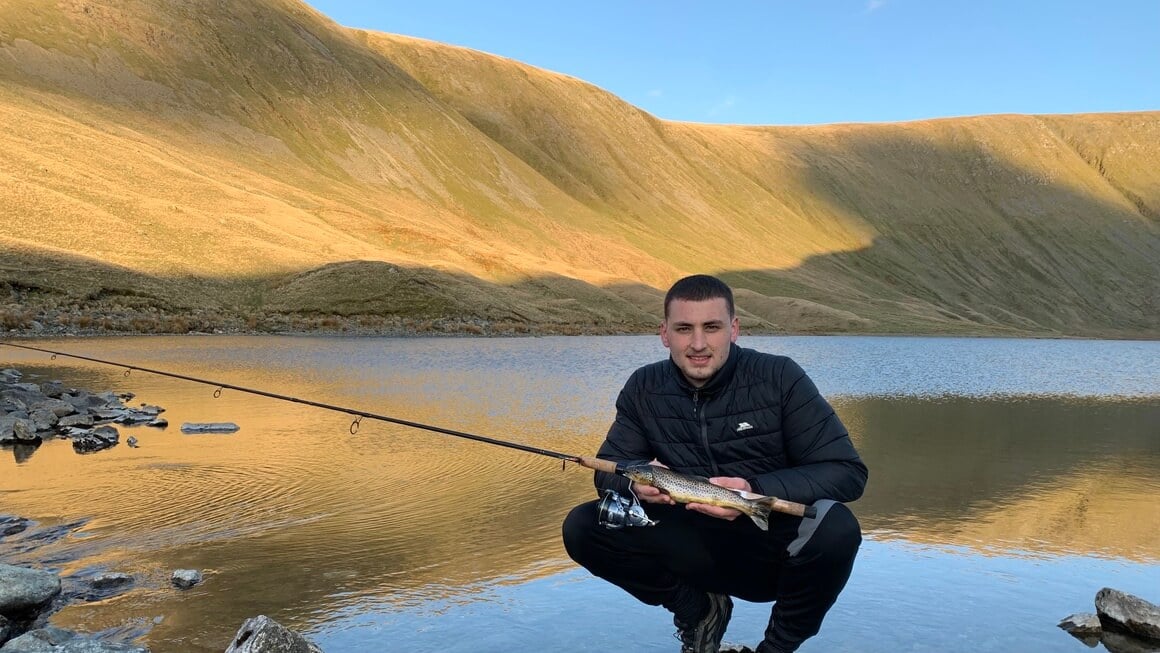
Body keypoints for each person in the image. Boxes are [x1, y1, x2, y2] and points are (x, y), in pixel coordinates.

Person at [562, 274, 868, 653]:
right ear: (664, 334)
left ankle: (775, 648)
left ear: (734, 329)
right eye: (684, 329)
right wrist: (631, 484)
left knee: (837, 528)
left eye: (712, 327)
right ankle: (699, 611)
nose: (698, 344)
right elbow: (609, 467)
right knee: (583, 525)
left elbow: (847, 473)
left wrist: (753, 489)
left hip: (770, 553)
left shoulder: (780, 377)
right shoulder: (644, 387)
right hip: (691, 546)